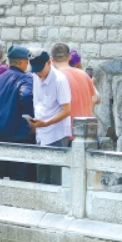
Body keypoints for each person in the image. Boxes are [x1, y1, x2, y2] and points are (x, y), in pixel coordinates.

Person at [0, 45, 36, 181]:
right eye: (27, 61)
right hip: (18, 136)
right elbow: (26, 96)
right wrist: (31, 120)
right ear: (21, 62)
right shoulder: (25, 78)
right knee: (18, 177)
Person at [27, 49, 72, 185]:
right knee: (42, 177)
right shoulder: (36, 76)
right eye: (35, 70)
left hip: (57, 134)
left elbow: (67, 110)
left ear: (49, 62)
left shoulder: (60, 80)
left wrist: (46, 123)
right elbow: (39, 104)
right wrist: (36, 124)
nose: (38, 73)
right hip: (41, 132)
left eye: (40, 69)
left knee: (56, 178)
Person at [50, 43, 100, 122]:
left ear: (51, 59)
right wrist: (92, 85)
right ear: (68, 57)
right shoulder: (84, 75)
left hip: (67, 130)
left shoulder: (55, 77)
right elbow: (96, 99)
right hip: (86, 129)